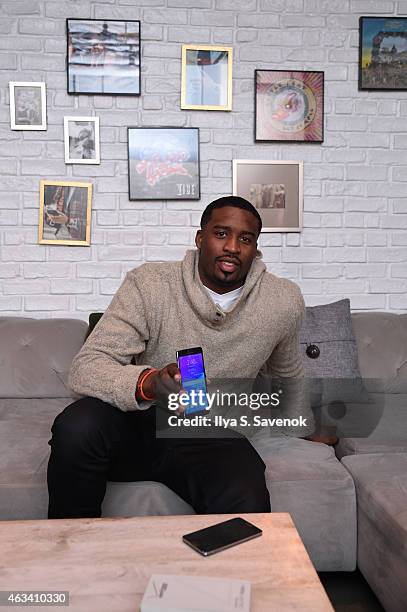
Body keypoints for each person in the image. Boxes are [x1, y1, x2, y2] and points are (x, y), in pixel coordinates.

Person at [47, 196, 308, 519]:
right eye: (221, 234)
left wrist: (306, 421)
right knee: (77, 425)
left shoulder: (283, 300)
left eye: (245, 239)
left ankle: (235, 569)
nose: (232, 247)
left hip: (212, 434)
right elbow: (86, 369)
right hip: (137, 424)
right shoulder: (150, 284)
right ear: (201, 239)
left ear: (255, 249)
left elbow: (287, 375)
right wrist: (148, 383)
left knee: (246, 496)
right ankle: (70, 550)